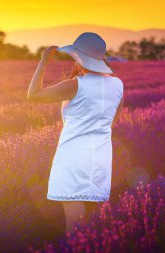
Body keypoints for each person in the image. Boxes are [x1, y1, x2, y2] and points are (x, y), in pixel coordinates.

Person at [26, 32, 124, 236]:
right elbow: (113, 121)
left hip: (73, 157)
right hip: (101, 156)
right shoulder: (117, 85)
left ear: (78, 58)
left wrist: (43, 62)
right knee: (94, 222)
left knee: (74, 226)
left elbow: (33, 95)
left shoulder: (77, 85)